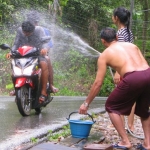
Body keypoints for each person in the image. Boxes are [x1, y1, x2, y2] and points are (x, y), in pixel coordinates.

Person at [79, 27, 150, 150]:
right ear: (117, 37)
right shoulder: (131, 46)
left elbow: (98, 83)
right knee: (144, 111)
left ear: (103, 41)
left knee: (111, 106)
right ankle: (148, 144)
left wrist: (86, 103)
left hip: (133, 77)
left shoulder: (105, 55)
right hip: (148, 74)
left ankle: (125, 141)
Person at [6, 21, 51, 103]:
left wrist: (44, 49)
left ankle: (43, 92)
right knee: (14, 67)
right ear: (22, 30)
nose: (26, 34)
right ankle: (17, 89)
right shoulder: (19, 30)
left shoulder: (39, 30)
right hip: (22, 55)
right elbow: (16, 43)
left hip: (37, 54)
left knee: (43, 64)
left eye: (29, 32)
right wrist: (11, 52)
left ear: (33, 30)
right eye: (25, 32)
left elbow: (45, 43)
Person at [112, 7, 135, 133]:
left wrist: (117, 72)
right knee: (131, 99)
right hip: (132, 67)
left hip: (123, 68)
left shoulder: (120, 34)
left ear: (117, 18)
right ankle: (130, 126)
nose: (112, 17)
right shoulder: (129, 32)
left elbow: (122, 54)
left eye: (113, 15)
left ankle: (121, 127)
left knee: (119, 99)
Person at [26, 11, 59, 94]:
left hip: (40, 54)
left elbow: (48, 44)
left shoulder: (43, 30)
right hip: (27, 55)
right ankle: (18, 86)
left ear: (37, 22)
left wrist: (44, 50)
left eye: (35, 22)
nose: (34, 24)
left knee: (47, 59)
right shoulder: (25, 30)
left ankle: (50, 84)